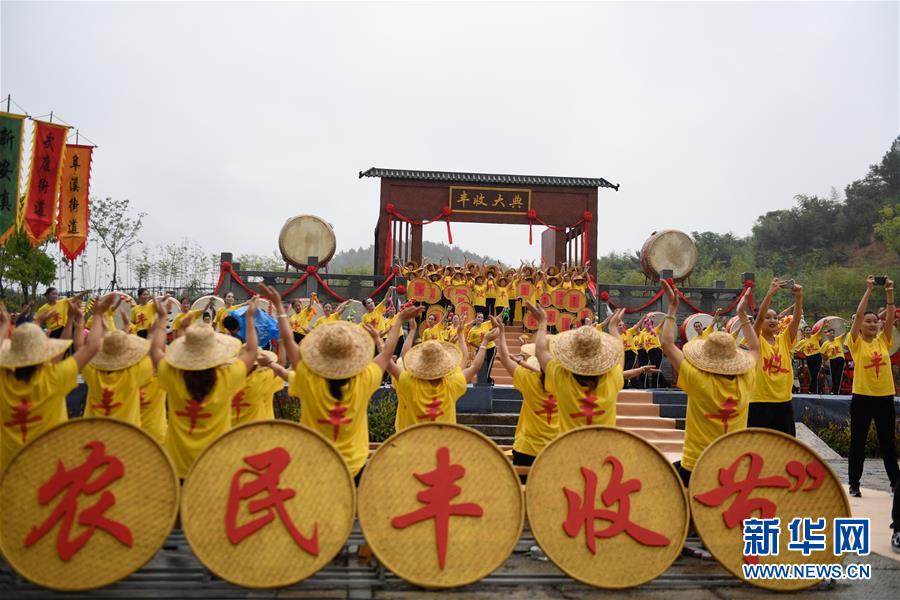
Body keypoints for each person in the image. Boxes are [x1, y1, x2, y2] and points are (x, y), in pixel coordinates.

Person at [260, 283, 417, 484]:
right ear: (354, 356)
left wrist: (280, 309)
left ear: (319, 355)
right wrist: (399, 322)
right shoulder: (364, 379)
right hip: (355, 466)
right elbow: (387, 354)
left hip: (315, 465)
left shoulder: (309, 379)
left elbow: (289, 342)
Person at [658, 280, 760, 487]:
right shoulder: (747, 377)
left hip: (697, 462)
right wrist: (742, 316)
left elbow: (666, 343)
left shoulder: (697, 379)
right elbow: (755, 349)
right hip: (733, 464)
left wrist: (672, 308)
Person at [0, 293, 115, 470]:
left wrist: (6, 324)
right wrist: (97, 315)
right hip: (51, 469)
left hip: (10, 471)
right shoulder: (53, 377)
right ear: (44, 352)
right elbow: (91, 346)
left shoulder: (3, 380)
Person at [150, 296, 259, 479]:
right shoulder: (227, 376)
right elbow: (251, 352)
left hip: (176, 466)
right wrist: (249, 318)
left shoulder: (173, 376)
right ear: (216, 351)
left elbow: (156, 351)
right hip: (215, 465)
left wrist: (162, 319)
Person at [526, 301, 625, 433]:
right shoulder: (613, 378)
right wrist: (613, 327)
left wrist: (542, 323)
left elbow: (540, 352)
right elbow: (620, 353)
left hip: (567, 449)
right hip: (603, 451)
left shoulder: (561, 377)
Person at [387, 314, 495, 430]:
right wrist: (484, 342)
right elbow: (474, 366)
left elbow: (394, 358)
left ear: (418, 361)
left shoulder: (409, 382)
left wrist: (410, 329)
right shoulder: (451, 384)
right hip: (443, 446)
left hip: (411, 442)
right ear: (443, 362)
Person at [845, 276, 897, 498]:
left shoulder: (884, 340)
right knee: (858, 441)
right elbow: (858, 315)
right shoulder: (855, 342)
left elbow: (891, 315)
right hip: (862, 397)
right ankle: (854, 483)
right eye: (868, 321)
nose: (873, 324)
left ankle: (896, 484)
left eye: (875, 321)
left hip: (885, 397)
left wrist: (889, 292)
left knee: (888, 443)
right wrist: (868, 289)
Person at [748, 278, 803, 436]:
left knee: (785, 447)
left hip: (783, 402)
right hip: (759, 402)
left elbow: (796, 320)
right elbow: (758, 320)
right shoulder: (755, 340)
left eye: (775, 318)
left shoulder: (784, 340)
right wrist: (770, 293)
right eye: (768, 317)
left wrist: (799, 297)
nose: (773, 320)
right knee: (758, 447)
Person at [82, 328, 153, 426]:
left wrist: (95, 318)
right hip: (127, 434)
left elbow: (81, 349)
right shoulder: (135, 372)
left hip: (93, 434)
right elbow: (155, 353)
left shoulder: (90, 371)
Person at [231, 349, 289, 426]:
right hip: (261, 429)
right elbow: (281, 365)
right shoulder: (261, 379)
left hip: (232, 432)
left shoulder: (227, 380)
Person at [466, 312, 496, 385]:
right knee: (479, 366)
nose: (480, 319)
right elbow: (469, 341)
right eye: (479, 317)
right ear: (476, 318)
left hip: (491, 347)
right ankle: (488, 380)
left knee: (488, 365)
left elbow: (495, 320)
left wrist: (501, 313)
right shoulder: (472, 330)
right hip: (481, 349)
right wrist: (478, 347)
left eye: (482, 318)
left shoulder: (486, 324)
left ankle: (487, 381)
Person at [819, 323, 847, 395]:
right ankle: (834, 391)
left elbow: (845, 334)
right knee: (834, 375)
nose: (832, 335)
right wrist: (825, 359)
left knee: (838, 375)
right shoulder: (826, 344)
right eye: (830, 333)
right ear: (828, 335)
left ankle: (835, 391)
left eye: (833, 333)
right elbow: (822, 352)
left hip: (840, 358)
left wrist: (848, 327)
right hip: (832, 360)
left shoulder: (838, 339)